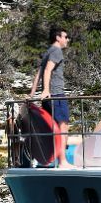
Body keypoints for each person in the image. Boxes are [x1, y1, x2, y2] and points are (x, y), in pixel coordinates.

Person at [29, 25, 71, 168]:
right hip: (56, 95)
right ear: (58, 37)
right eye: (65, 37)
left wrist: (32, 94)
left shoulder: (48, 51)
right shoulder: (57, 51)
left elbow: (38, 73)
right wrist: (46, 90)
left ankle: (53, 160)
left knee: (52, 128)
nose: (67, 40)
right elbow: (47, 70)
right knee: (62, 126)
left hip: (49, 96)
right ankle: (63, 162)